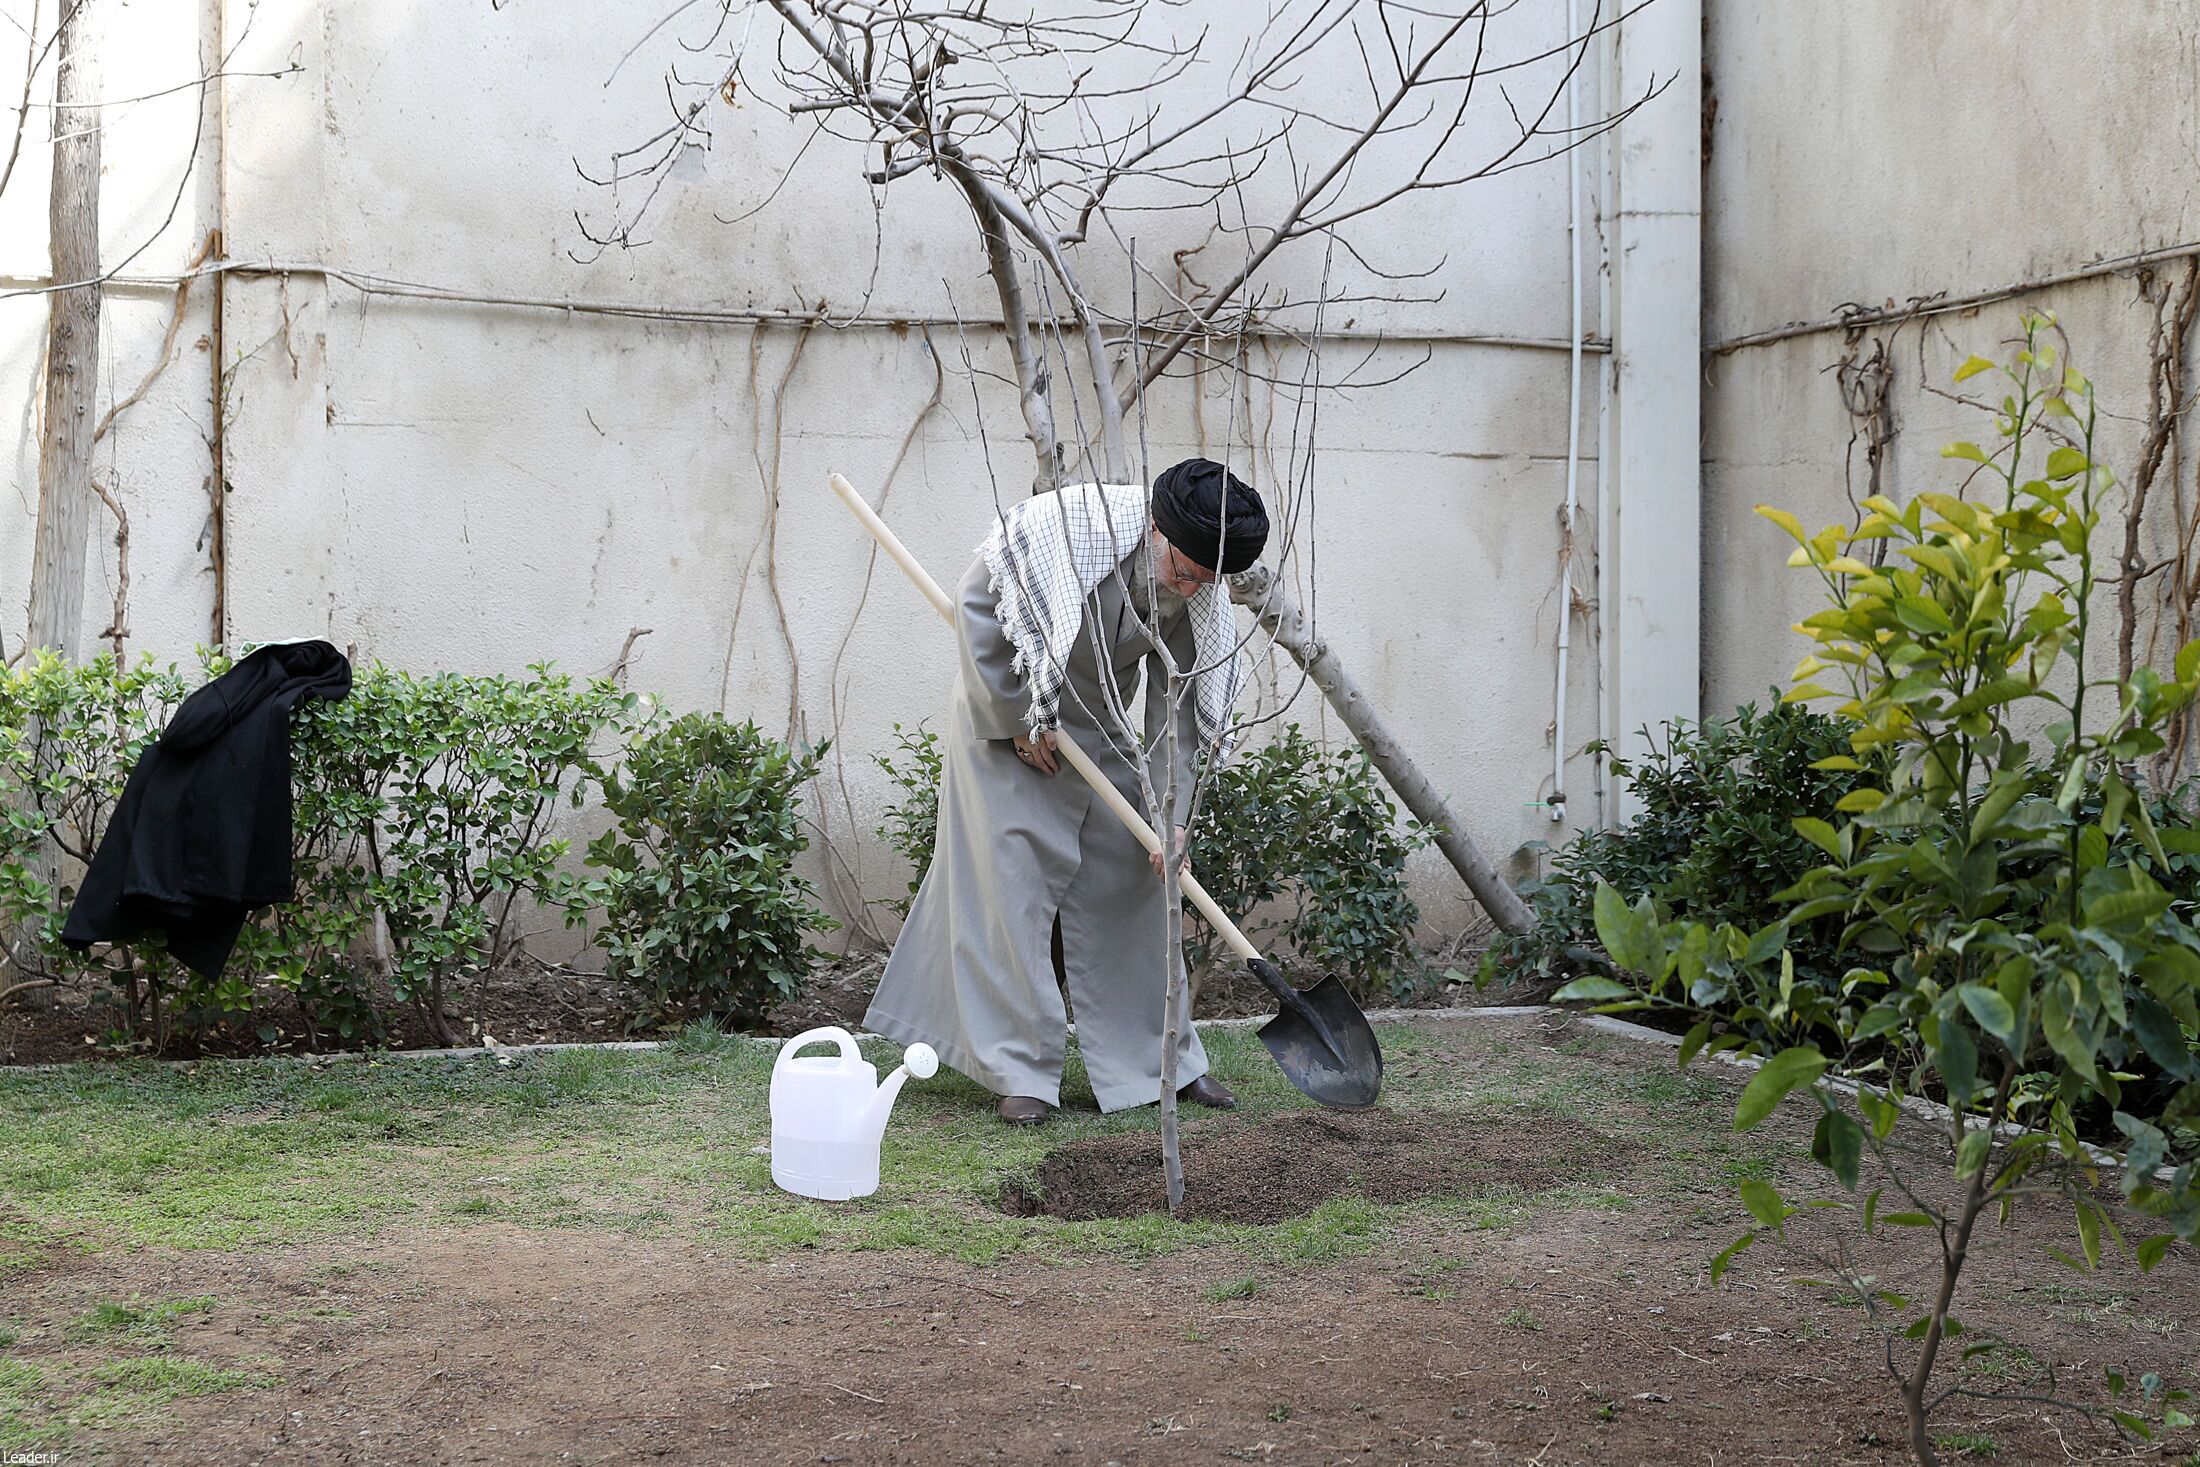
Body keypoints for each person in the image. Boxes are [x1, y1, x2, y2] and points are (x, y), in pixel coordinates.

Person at [864, 458, 1270, 1124]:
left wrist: (1171, 817)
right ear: (1157, 528)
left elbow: (1177, 708)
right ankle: (1017, 1071)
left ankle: (1161, 1062)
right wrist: (1018, 717)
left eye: (1206, 578)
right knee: (1013, 887)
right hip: (1010, 720)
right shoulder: (1068, 526)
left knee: (1136, 880)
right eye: (1185, 569)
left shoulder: (1194, 588)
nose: (1191, 585)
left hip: (1098, 729)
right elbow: (976, 606)